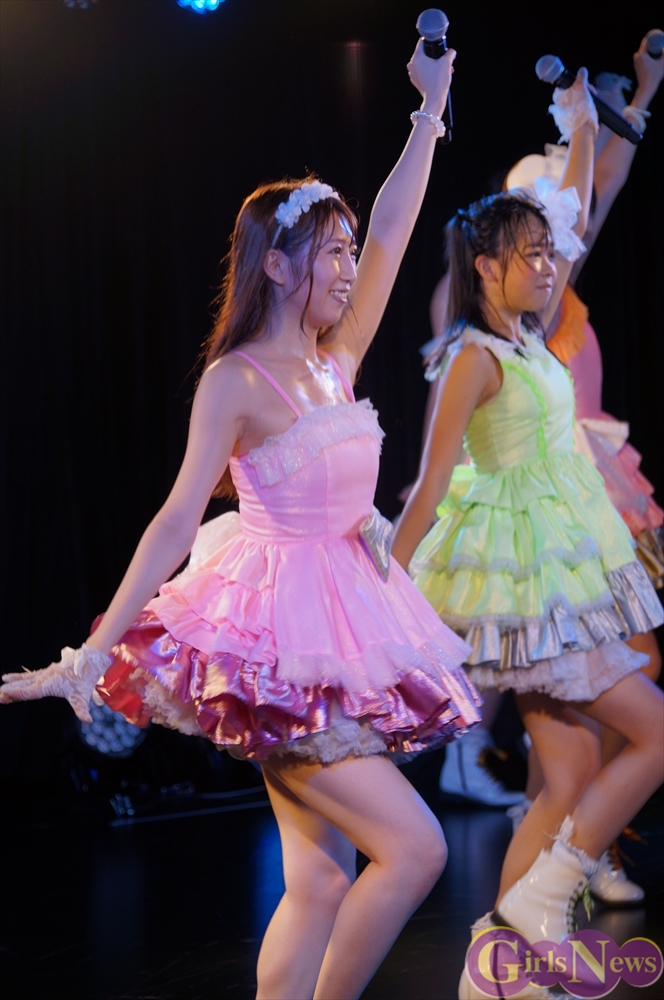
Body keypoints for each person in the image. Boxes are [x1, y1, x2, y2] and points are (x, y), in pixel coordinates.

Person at [0, 41, 483, 1000]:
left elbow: (396, 228)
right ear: (279, 261)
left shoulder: (336, 358)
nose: (349, 267)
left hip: (346, 624)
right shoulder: (237, 380)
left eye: (348, 252)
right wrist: (91, 653)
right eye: (332, 251)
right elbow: (176, 519)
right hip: (279, 644)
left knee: (319, 881)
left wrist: (430, 110)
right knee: (417, 849)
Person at [390, 70, 664, 1000]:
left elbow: (578, 212)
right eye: (529, 254)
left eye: (550, 253)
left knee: (569, 773)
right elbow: (433, 484)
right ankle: (542, 903)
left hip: (564, 570)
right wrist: (386, 591)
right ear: (485, 266)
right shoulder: (472, 355)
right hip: (531, 582)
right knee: (651, 732)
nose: (548, 265)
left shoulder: (530, 336)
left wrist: (583, 126)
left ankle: (497, 966)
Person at [500, 33, 664, 908]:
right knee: (593, 692)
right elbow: (589, 197)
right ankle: (572, 847)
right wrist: (596, 123)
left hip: (592, 491)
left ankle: (578, 839)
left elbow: (600, 190)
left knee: (598, 692)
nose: (566, 228)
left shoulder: (552, 281)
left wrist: (635, 99)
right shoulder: (529, 300)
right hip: (558, 507)